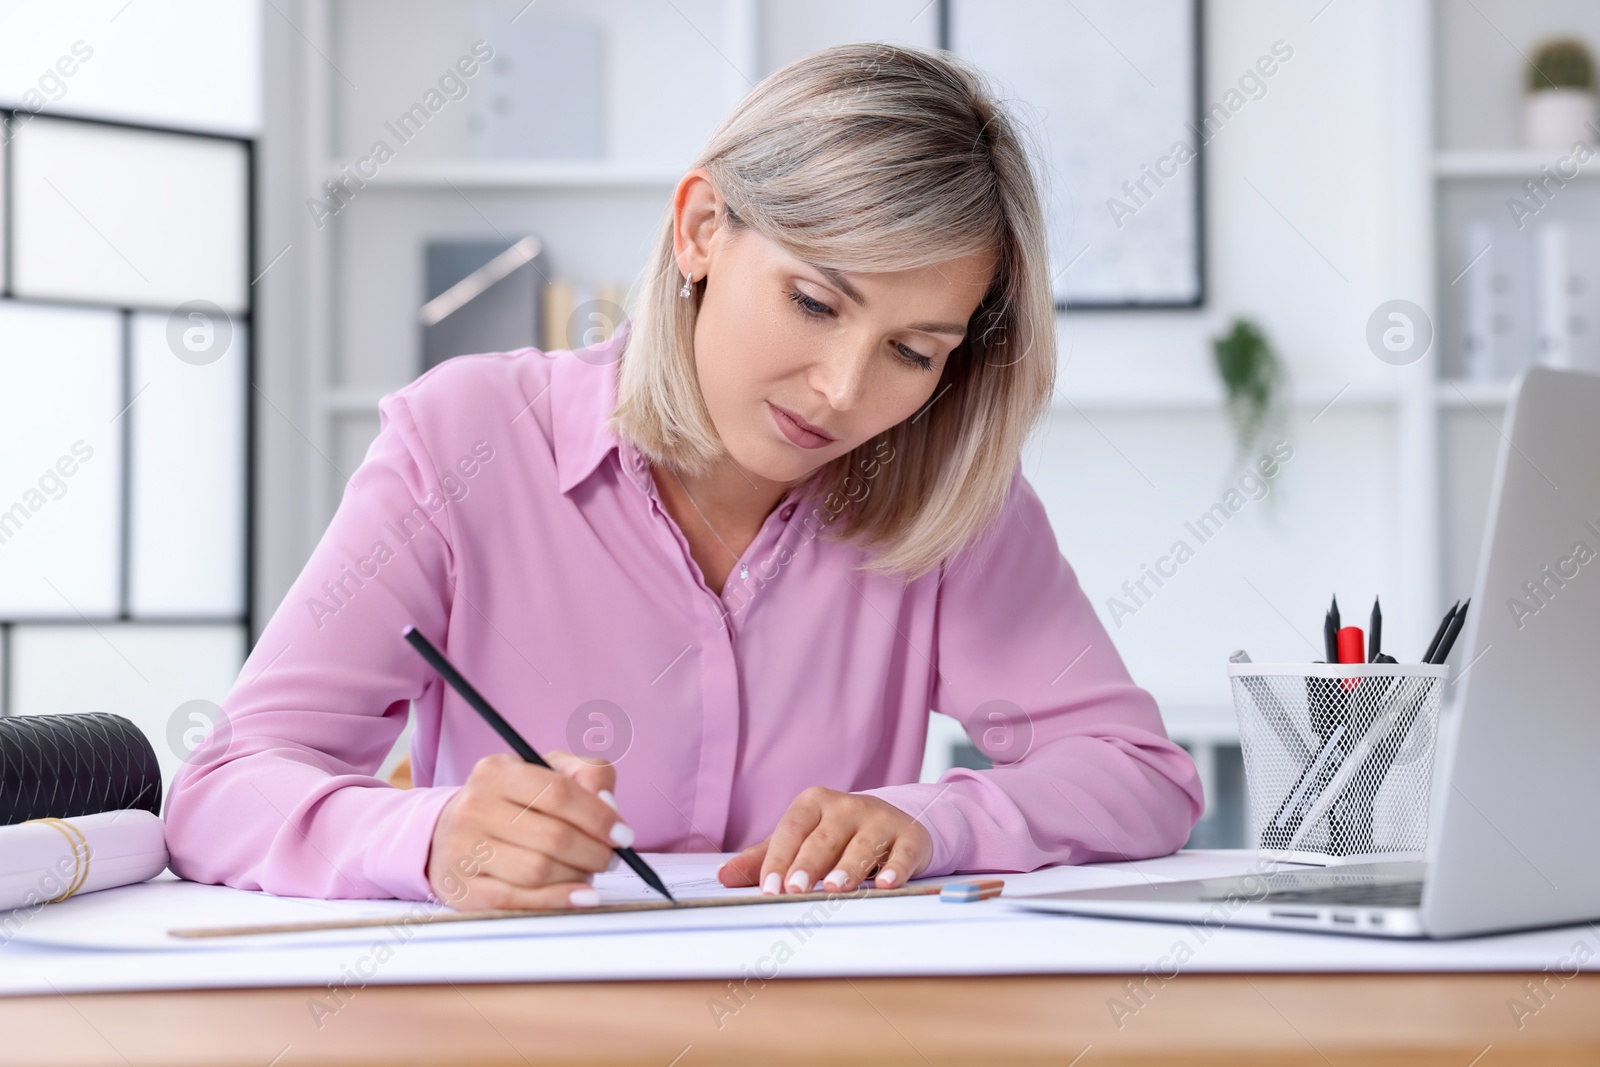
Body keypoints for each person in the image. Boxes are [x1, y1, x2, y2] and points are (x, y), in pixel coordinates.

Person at [164, 42, 1202, 910]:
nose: (842, 390)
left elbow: (1139, 775)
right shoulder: (466, 438)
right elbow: (222, 791)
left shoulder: (945, 496)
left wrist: (931, 818)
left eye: (913, 352)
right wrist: (431, 836)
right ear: (703, 228)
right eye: (815, 302)